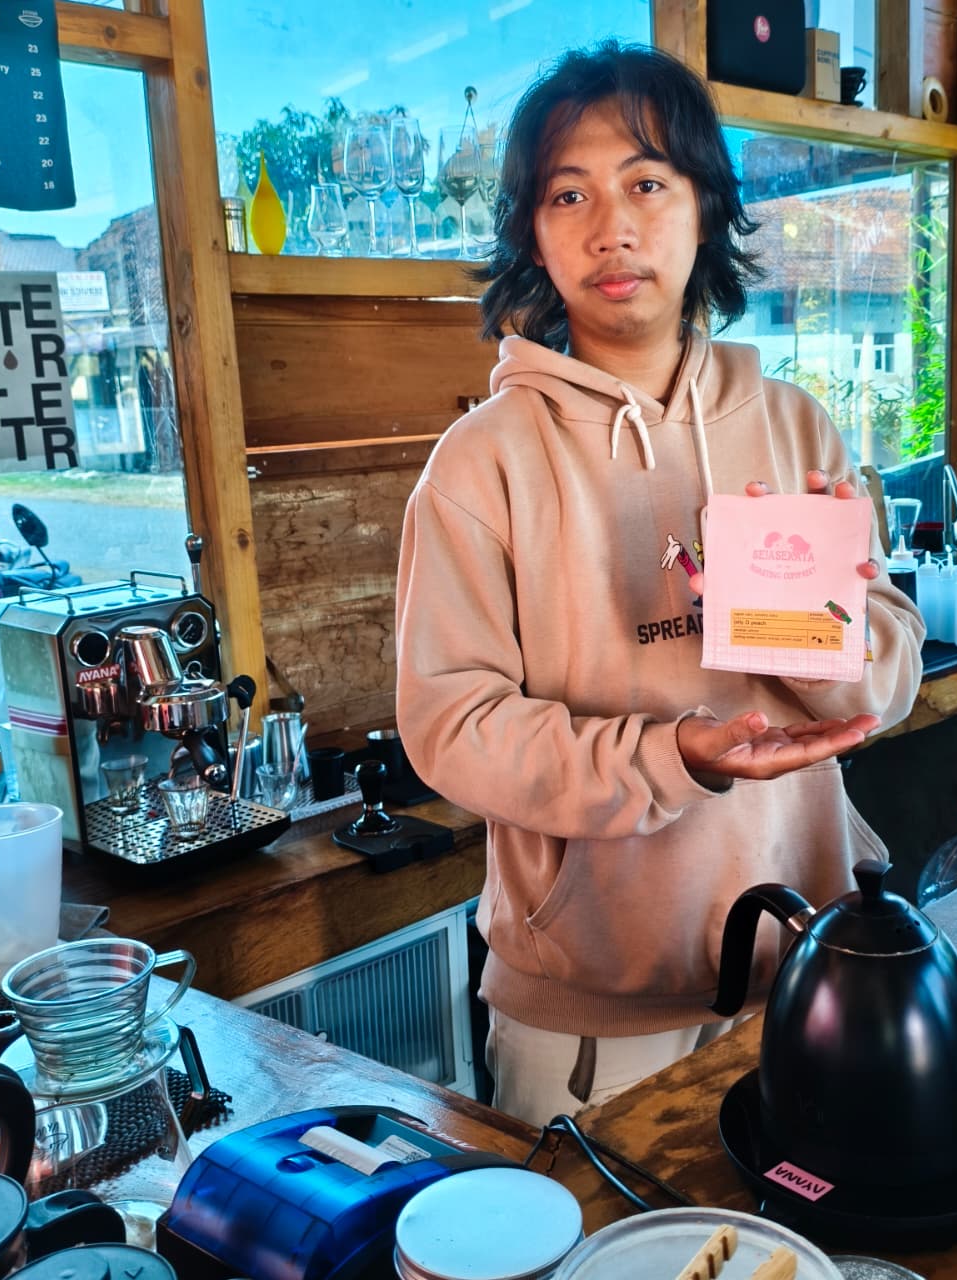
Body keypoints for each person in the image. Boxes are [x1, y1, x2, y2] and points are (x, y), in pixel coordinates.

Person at [395, 41, 925, 1125]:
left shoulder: (794, 425)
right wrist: (668, 755)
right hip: (590, 1026)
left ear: (703, 207)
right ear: (532, 233)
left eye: (646, 183)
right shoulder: (481, 463)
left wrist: (828, 641)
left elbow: (885, 677)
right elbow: (452, 728)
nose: (611, 228)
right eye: (568, 194)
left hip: (806, 976)